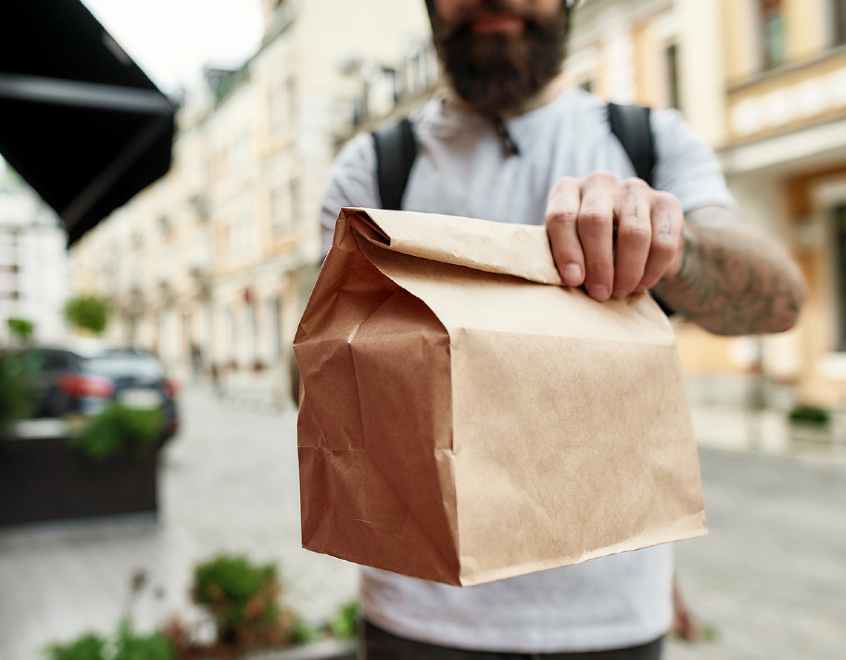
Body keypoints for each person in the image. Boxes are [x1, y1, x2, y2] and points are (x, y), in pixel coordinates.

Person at [317, 0, 807, 658]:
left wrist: (673, 245)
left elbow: (779, 302)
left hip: (614, 615)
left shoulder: (649, 142)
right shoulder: (373, 169)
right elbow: (316, 395)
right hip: (422, 615)